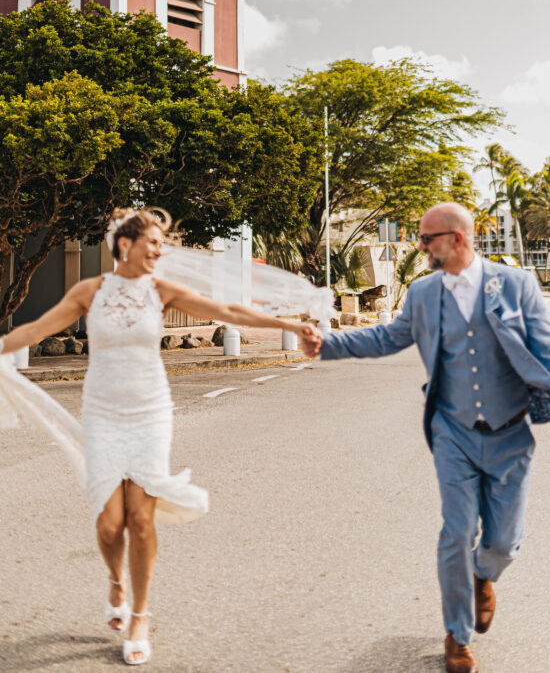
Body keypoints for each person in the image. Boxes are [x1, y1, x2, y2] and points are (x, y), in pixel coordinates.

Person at [0, 208, 308, 666]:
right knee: (109, 524)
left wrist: (290, 325)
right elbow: (34, 329)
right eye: (155, 243)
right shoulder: (90, 292)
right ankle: (116, 582)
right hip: (103, 414)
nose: (161, 251)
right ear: (125, 245)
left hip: (149, 412)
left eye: (163, 244)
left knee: (140, 521)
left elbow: (226, 310)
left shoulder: (161, 291)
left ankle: (140, 614)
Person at [301, 202, 550, 673]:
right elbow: (386, 338)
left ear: (457, 240)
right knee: (455, 533)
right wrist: (327, 344)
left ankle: (484, 576)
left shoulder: (515, 285)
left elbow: (544, 348)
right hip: (452, 431)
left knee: (503, 543)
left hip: (510, 433)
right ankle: (457, 637)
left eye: (426, 239)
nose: (420, 247)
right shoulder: (421, 293)